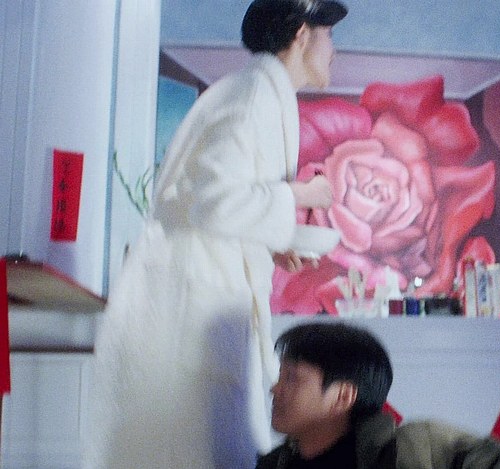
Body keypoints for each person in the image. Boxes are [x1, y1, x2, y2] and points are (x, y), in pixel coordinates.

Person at [84, 1, 347, 467]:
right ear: (302, 35)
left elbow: (213, 203)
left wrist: (273, 243)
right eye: (329, 35)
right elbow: (214, 200)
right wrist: (299, 195)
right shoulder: (253, 95)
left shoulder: (256, 91)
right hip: (191, 312)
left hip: (202, 307)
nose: (334, 50)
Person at [257, 322, 500, 469]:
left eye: (291, 378)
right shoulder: (273, 465)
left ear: (342, 396)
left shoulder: (420, 448)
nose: (274, 388)